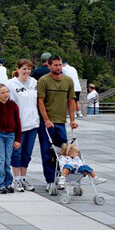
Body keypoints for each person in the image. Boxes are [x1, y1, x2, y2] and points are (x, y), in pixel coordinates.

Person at [37, 55, 78, 191]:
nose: (58, 67)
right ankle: (49, 179)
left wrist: (72, 119)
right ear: (49, 66)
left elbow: (71, 100)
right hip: (47, 123)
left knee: (63, 152)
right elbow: (40, 101)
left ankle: (61, 176)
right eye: (55, 65)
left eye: (60, 65)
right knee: (47, 151)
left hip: (61, 122)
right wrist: (46, 119)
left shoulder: (68, 81)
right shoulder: (44, 81)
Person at [6, 59, 40, 191]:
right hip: (18, 125)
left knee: (27, 153)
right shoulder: (11, 84)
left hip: (33, 123)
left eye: (28, 69)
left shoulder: (34, 83)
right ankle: (16, 179)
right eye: (24, 69)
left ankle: (23, 178)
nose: (26, 71)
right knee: (16, 153)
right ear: (18, 69)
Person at [0, 84, 21, 194]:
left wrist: (18, 139)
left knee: (8, 160)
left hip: (10, 135)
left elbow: (18, 123)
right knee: (1, 160)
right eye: (2, 92)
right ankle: (0, 184)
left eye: (7, 92)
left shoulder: (13, 105)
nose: (6, 94)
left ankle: (8, 183)